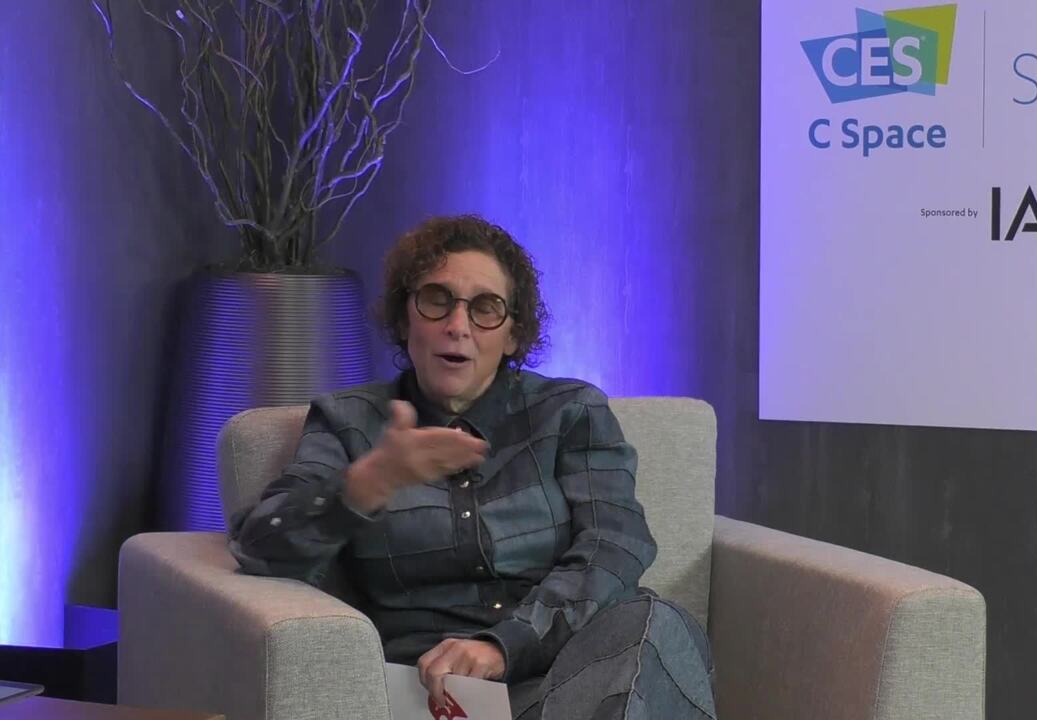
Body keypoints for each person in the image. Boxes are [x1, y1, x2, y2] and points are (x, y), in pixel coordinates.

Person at [229, 215, 716, 719]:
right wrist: (367, 483)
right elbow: (258, 547)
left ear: (512, 336)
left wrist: (504, 645)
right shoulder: (348, 422)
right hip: (431, 696)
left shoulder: (569, 413)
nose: (457, 326)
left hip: (567, 679)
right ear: (404, 319)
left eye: (485, 308)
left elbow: (614, 545)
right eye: (436, 300)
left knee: (656, 622)